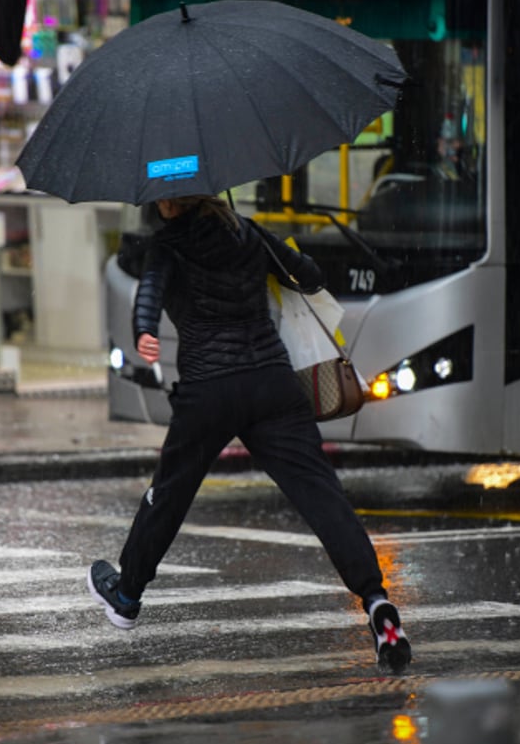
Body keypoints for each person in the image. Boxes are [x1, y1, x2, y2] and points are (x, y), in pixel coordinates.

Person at [86, 194, 412, 672]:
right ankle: (376, 600)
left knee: (171, 492)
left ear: (166, 203)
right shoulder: (248, 230)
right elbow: (310, 277)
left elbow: (148, 298)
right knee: (322, 495)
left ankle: (127, 593)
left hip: (209, 392)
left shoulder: (167, 245)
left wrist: (144, 332)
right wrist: (252, 250)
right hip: (272, 385)